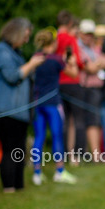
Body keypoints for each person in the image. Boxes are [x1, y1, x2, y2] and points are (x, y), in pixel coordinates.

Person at [0, 18, 46, 192]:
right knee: (11, 147)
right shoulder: (2, 51)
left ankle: (18, 186)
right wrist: (32, 64)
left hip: (19, 111)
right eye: (25, 36)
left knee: (19, 148)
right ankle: (9, 187)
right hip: (5, 109)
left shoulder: (16, 53)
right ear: (16, 33)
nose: (26, 40)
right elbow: (12, 76)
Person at [30, 29, 79, 185]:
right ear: (53, 43)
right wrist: (71, 62)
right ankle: (60, 171)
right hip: (53, 104)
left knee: (39, 137)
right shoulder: (57, 60)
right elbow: (73, 74)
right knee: (57, 135)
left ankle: (37, 173)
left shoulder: (35, 58)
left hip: (37, 103)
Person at [77, 19, 105, 156]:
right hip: (84, 88)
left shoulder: (93, 49)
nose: (89, 37)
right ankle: (86, 154)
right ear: (80, 33)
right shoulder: (78, 48)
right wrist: (98, 64)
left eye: (91, 34)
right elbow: (89, 68)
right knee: (85, 121)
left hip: (95, 89)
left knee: (95, 121)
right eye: (86, 34)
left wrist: (95, 64)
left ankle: (95, 155)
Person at [54, 11, 86, 158]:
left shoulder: (53, 39)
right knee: (78, 119)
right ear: (69, 24)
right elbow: (78, 61)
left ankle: (66, 154)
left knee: (65, 120)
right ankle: (78, 155)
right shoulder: (70, 39)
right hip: (72, 82)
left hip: (58, 83)